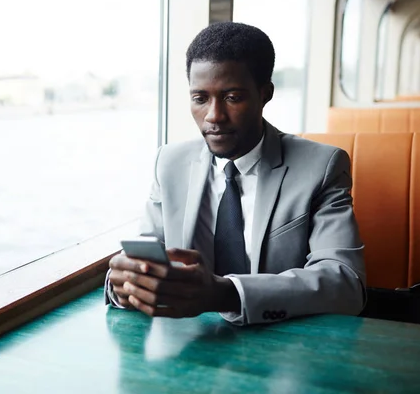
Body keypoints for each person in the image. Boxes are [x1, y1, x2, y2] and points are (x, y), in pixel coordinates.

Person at [105, 22, 366, 325]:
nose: (213, 116)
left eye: (232, 97)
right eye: (200, 98)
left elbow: (346, 283)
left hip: (283, 346)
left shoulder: (322, 166)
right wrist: (126, 284)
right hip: (192, 345)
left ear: (264, 94)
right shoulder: (170, 163)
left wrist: (225, 294)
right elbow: (147, 257)